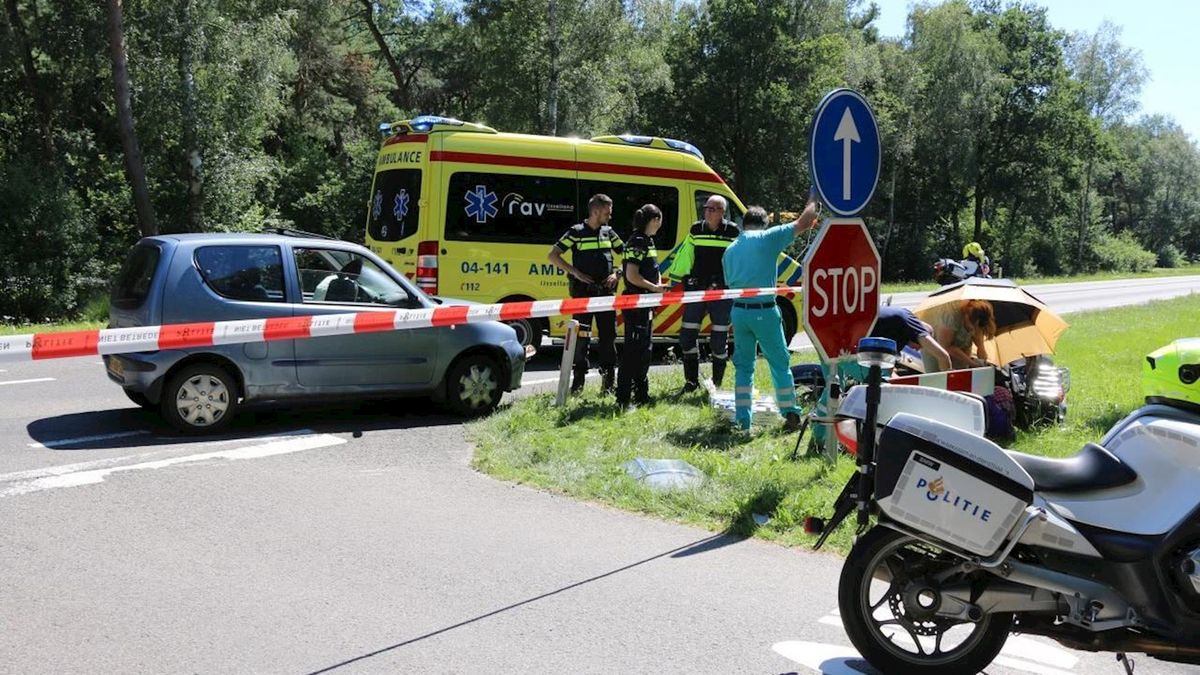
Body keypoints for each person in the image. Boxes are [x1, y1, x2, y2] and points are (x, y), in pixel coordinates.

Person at [723, 202, 820, 431]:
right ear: (764, 224)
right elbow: (804, 222)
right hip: (764, 311)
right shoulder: (768, 238)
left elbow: (730, 286)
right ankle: (790, 413)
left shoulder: (730, 250)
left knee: (744, 368)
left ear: (742, 225)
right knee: (779, 363)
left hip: (739, 312)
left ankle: (743, 421)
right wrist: (815, 199)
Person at [548, 194, 624, 393]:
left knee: (608, 338)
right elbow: (553, 255)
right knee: (581, 339)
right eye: (608, 211)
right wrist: (575, 272)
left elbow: (628, 255)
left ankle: (608, 384)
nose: (610, 215)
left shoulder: (609, 232)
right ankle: (578, 384)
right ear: (596, 211)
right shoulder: (576, 232)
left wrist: (618, 274)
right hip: (583, 295)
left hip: (606, 295)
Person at [666, 194, 739, 392]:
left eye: (712, 208)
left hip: (722, 293)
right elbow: (685, 255)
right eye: (706, 208)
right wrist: (674, 280)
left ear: (722, 212)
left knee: (718, 341)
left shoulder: (733, 232)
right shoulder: (696, 229)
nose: (707, 211)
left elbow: (739, 260)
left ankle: (717, 385)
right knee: (687, 337)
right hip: (696, 291)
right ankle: (691, 383)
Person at [616, 204, 666, 410]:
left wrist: (658, 285)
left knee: (644, 350)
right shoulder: (637, 241)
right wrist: (654, 287)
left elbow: (652, 269)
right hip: (637, 303)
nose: (660, 225)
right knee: (633, 351)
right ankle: (623, 398)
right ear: (654, 220)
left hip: (646, 303)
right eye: (659, 221)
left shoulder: (648, 241)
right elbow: (632, 275)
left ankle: (642, 395)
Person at [871, 305, 952, 372]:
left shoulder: (899, 336)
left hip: (864, 323)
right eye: (920, 346)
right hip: (866, 322)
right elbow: (943, 356)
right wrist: (947, 383)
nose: (917, 349)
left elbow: (888, 369)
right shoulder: (914, 324)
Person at [931, 299, 997, 369]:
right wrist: (972, 363)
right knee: (939, 371)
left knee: (963, 370)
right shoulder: (950, 315)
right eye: (972, 329)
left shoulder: (980, 315)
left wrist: (983, 363)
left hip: (962, 330)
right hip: (936, 341)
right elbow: (946, 347)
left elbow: (980, 347)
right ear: (966, 317)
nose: (974, 332)